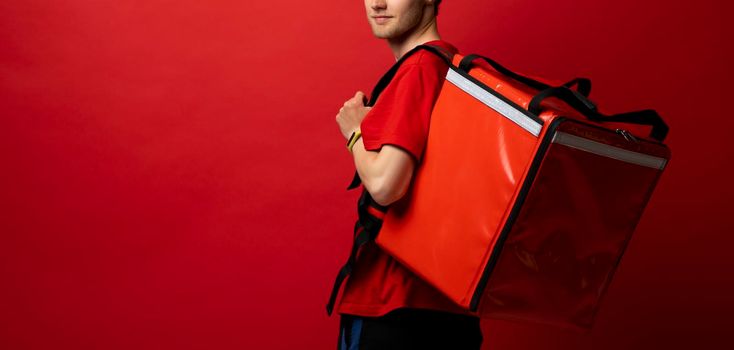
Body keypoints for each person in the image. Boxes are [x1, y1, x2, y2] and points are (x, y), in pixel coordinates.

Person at [331, 1, 483, 349]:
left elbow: (386, 185)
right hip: (444, 304)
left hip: (395, 306)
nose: (378, 3)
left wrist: (355, 132)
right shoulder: (447, 64)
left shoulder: (418, 67)